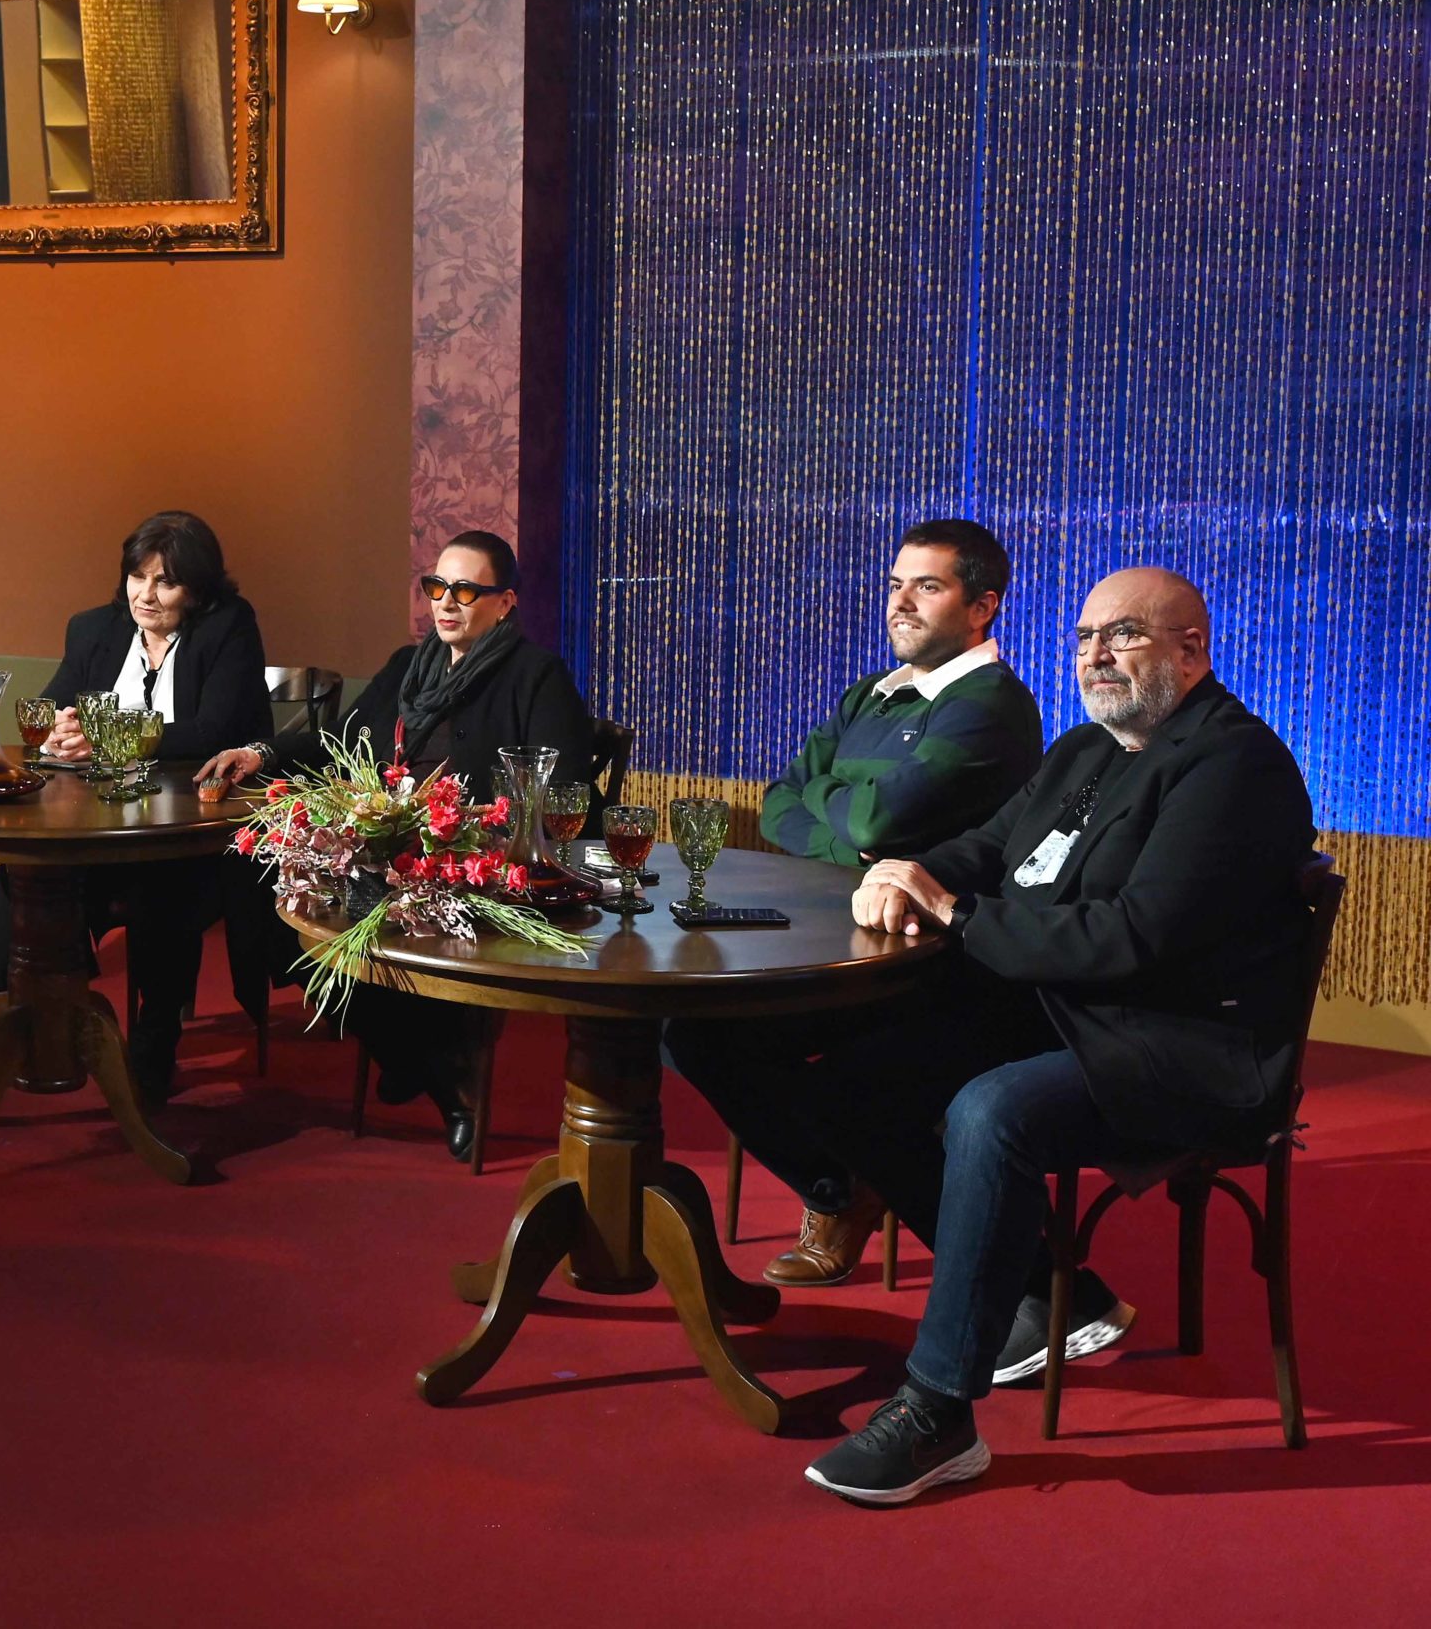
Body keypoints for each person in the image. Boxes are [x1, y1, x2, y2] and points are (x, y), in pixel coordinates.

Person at [798, 568, 1315, 1505]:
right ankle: (1037, 1289)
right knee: (856, 1078)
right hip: (1071, 1010)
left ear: (1191, 650)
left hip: (1184, 1045)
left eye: (1124, 635)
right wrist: (909, 871)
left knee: (992, 1110)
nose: (1095, 655)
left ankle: (939, 1412)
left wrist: (955, 913)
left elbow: (1134, 937)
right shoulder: (1087, 747)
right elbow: (991, 849)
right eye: (1084, 637)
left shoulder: (1235, 765)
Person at [667, 519, 1044, 1286]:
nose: (900, 601)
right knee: (688, 1029)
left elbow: (876, 821)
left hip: (932, 966)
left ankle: (855, 1182)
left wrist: (838, 803)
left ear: (982, 607)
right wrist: (852, 826)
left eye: (927, 586)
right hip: (834, 937)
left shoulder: (991, 705)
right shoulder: (871, 693)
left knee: (759, 1051)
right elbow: (780, 803)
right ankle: (838, 1183)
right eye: (895, 584)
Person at [197, 530, 590, 1159]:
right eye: (438, 586)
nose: (446, 603)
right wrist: (261, 752)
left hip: (471, 861)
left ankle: (438, 1080)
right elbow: (340, 737)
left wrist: (469, 824)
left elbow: (563, 790)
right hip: (385, 849)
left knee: (366, 914)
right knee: (267, 895)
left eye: (466, 590)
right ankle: (425, 1064)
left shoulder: (536, 675)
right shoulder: (409, 665)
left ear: (505, 602)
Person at [0, 512, 271, 1107]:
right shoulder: (94, 628)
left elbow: (214, 729)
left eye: (166, 583)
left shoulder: (228, 626)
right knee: (21, 885)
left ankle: (153, 1047)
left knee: (165, 894)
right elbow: (51, 705)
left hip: (184, 834)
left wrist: (108, 737)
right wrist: (59, 730)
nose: (145, 595)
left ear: (198, 590)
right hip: (91, 830)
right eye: (137, 577)